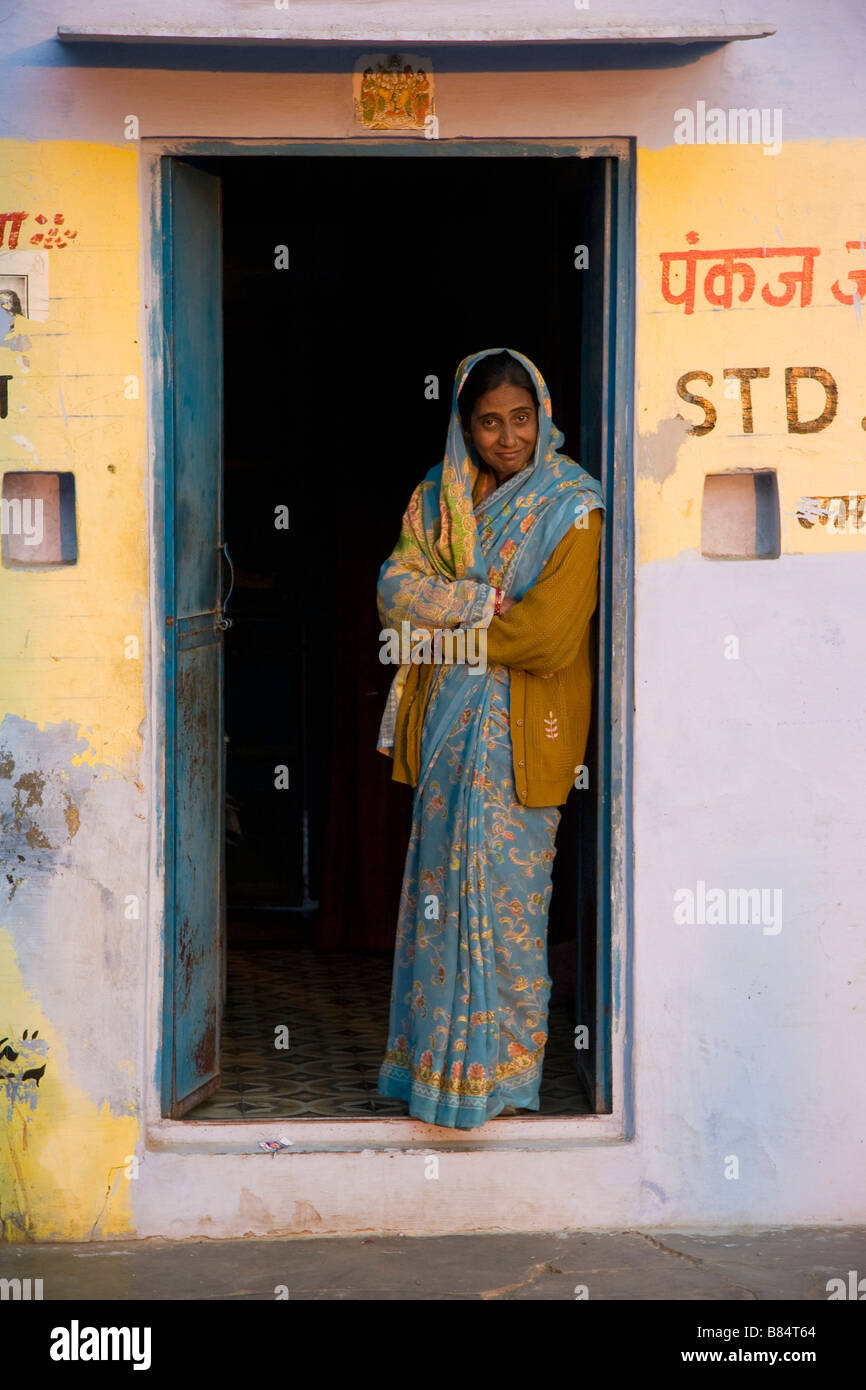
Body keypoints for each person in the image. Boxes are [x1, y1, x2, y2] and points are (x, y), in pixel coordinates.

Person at [376, 347, 603, 1128]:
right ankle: (435, 1076)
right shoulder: (441, 500)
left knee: (507, 905)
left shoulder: (573, 506)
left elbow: (548, 636)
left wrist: (445, 628)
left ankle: (503, 1082)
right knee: (442, 897)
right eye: (488, 423)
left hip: (525, 736)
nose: (507, 438)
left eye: (520, 419)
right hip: (449, 731)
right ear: (465, 427)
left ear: (542, 414)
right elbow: (393, 591)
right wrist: (479, 603)